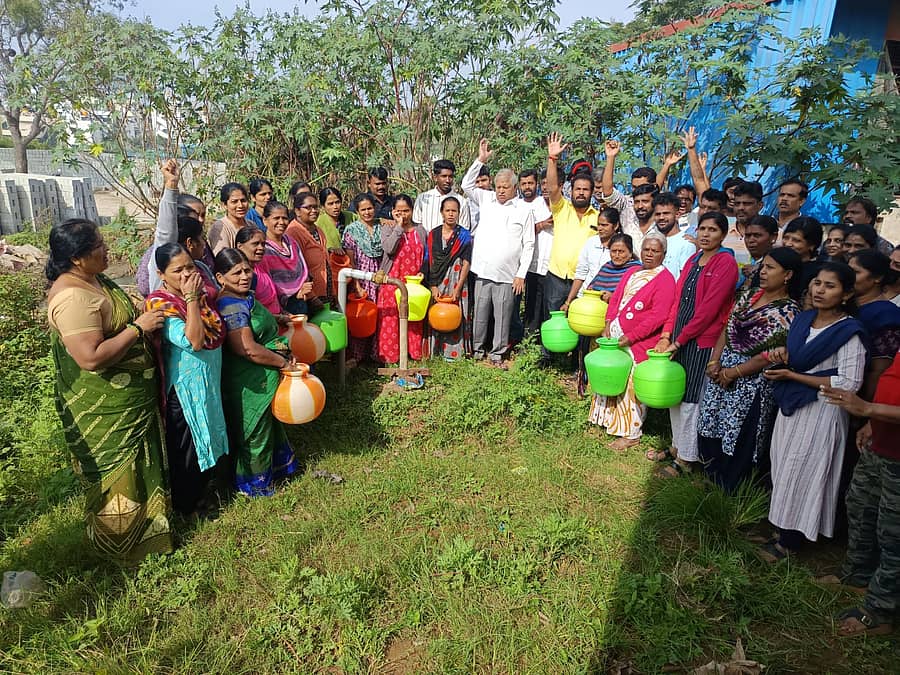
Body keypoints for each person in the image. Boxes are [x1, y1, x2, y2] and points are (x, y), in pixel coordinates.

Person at [46, 219, 173, 563]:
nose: (107, 250)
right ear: (76, 258)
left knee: (140, 465)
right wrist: (138, 328)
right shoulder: (72, 297)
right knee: (117, 476)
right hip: (105, 408)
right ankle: (120, 547)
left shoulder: (91, 279)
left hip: (130, 400)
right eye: (99, 246)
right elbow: (89, 358)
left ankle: (150, 534)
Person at [761, 263, 867, 560]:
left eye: (830, 286)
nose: (820, 290)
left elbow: (849, 382)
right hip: (793, 405)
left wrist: (795, 376)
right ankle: (782, 528)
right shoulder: (805, 320)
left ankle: (790, 543)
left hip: (822, 410)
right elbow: (799, 357)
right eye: (817, 283)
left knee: (803, 472)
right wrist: (786, 356)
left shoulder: (849, 331)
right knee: (783, 465)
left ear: (846, 294)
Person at [698, 247, 803, 491]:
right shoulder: (749, 296)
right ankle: (710, 477)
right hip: (722, 369)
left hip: (751, 382)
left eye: (770, 268)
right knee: (712, 422)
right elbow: (727, 328)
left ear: (787, 275)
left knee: (739, 432)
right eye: (763, 266)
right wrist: (715, 362)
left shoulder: (788, 311)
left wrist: (732, 373)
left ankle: (731, 490)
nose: (762, 272)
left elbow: (768, 356)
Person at [654, 211, 739, 476]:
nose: (705, 234)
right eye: (702, 229)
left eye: (713, 230)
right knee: (675, 393)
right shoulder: (693, 260)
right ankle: (678, 446)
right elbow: (678, 302)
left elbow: (708, 311)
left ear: (723, 235)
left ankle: (687, 460)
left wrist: (679, 341)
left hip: (701, 340)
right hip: (679, 338)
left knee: (691, 397)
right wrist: (667, 334)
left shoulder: (725, 263)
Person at [146, 243, 229, 515]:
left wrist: (196, 298)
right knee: (188, 447)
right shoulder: (161, 304)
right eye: (177, 270)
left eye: (190, 267)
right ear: (161, 274)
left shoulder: (201, 297)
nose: (186, 275)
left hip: (208, 382)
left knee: (208, 434)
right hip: (184, 390)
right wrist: (191, 299)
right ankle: (187, 506)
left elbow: (215, 331)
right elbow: (194, 340)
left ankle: (206, 493)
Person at [820, 356, 900, 637]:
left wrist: (868, 407)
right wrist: (872, 421)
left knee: (894, 535)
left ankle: (880, 611)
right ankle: (857, 574)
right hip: (881, 444)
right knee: (859, 505)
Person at [215, 248, 298, 497]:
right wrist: (282, 363)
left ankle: (277, 469)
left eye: (247, 270)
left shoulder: (244, 298)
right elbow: (247, 349)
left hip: (262, 374)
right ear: (220, 277)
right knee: (256, 431)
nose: (244, 276)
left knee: (269, 425)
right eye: (236, 272)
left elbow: (253, 320)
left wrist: (277, 317)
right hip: (249, 380)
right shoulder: (230, 306)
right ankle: (254, 485)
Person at [589, 233, 676, 450]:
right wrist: (609, 322)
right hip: (614, 338)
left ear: (663, 254)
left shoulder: (665, 279)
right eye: (646, 249)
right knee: (610, 378)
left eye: (655, 251)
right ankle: (608, 422)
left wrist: (631, 336)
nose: (649, 254)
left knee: (630, 385)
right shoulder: (631, 271)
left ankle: (631, 433)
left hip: (639, 342)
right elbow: (616, 299)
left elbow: (658, 315)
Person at [462, 140, 534, 366]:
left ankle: (497, 353)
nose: (501, 190)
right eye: (499, 186)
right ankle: (477, 349)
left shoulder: (524, 209)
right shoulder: (487, 199)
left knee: (503, 316)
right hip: (483, 270)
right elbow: (466, 185)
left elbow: (529, 243)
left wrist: (521, 274)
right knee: (480, 314)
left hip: (507, 274)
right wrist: (480, 160)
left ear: (515, 188)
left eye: (506, 187)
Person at [543, 133, 599, 336]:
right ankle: (547, 358)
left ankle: (574, 362)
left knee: (580, 322)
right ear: (571, 190)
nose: (581, 193)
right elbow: (551, 187)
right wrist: (553, 159)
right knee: (552, 320)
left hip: (583, 280)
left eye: (585, 189)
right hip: (557, 276)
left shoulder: (598, 217)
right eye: (578, 189)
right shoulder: (561, 208)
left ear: (592, 192)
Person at [421, 196, 473, 360]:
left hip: (457, 280)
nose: (451, 214)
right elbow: (428, 260)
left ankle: (454, 353)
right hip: (436, 280)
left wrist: (458, 288)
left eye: (454, 211)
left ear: (459, 213)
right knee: (437, 313)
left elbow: (466, 263)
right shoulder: (433, 234)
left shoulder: (464, 235)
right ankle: (434, 351)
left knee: (456, 313)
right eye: (448, 210)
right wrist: (433, 285)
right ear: (442, 213)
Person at [377, 195, 427, 363]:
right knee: (391, 319)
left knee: (413, 317)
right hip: (393, 281)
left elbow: (426, 256)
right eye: (399, 211)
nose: (403, 215)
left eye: (406, 211)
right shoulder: (387, 229)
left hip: (413, 283)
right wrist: (398, 226)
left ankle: (413, 353)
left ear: (412, 211)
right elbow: (389, 249)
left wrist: (423, 272)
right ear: (393, 212)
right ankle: (391, 357)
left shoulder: (420, 230)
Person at [849, 250, 900, 400]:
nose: (848, 277)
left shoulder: (887, 315)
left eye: (856, 272)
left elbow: (879, 370)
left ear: (877, 278)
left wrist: (861, 410)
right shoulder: (846, 305)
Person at [343, 193, 384, 363]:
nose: (367, 212)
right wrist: (357, 284)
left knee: (379, 314)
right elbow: (350, 260)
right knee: (361, 315)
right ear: (357, 211)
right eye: (363, 209)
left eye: (370, 208)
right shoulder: (352, 230)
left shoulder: (381, 227)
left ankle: (376, 354)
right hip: (362, 276)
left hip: (380, 276)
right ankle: (358, 356)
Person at [599, 139, 655, 250]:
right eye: (634, 187)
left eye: (642, 187)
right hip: (630, 266)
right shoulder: (626, 204)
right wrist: (611, 157)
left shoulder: (663, 210)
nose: (637, 191)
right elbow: (607, 192)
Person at [260, 201, 313, 316]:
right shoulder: (262, 248)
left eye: (284, 218)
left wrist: (302, 287)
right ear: (265, 220)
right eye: (276, 218)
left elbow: (302, 269)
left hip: (301, 301)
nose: (281, 222)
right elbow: (264, 282)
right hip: (278, 309)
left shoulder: (291, 243)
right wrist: (294, 294)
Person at [561, 207, 621, 308]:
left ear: (615, 226)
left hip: (606, 301)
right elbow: (581, 273)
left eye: (605, 225)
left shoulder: (620, 245)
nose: (600, 228)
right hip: (584, 297)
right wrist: (568, 301)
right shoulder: (591, 242)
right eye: (599, 224)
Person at [519, 168, 553, 336]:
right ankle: (528, 340)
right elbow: (516, 234)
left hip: (550, 265)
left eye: (530, 183)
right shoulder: (516, 206)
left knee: (547, 307)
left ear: (536, 185)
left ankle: (546, 343)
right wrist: (540, 225)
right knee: (530, 305)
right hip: (528, 265)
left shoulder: (545, 203)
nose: (527, 187)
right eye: (524, 183)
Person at [287, 192, 331, 310]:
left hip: (325, 291)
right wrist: (312, 297)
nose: (314, 211)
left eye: (315, 207)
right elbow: (297, 268)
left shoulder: (318, 230)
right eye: (308, 207)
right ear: (297, 211)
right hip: (310, 297)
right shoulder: (293, 232)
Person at [575, 232, 642, 303]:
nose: (617, 255)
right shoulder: (606, 267)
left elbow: (638, 297)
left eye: (621, 251)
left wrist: (613, 297)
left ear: (630, 253)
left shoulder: (637, 270)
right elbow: (591, 288)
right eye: (613, 251)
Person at [235, 225, 282, 317]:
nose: (261, 248)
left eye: (263, 244)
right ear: (240, 246)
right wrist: (278, 318)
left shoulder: (259, 267)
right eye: (255, 244)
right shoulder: (243, 276)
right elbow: (251, 313)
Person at [413, 159, 471, 231]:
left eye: (450, 176)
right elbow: (417, 225)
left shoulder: (462, 201)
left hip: (454, 242)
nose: (447, 180)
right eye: (444, 176)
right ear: (435, 178)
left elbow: (464, 228)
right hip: (426, 241)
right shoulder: (422, 199)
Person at [781, 216, 824, 307]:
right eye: (786, 238)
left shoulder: (817, 272)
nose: (788, 244)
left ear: (812, 245)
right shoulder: (777, 263)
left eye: (796, 240)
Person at [654, 191, 697, 278]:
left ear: (677, 214)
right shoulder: (651, 240)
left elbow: (684, 278)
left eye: (666, 213)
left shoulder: (686, 243)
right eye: (658, 214)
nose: (661, 217)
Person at [208, 182, 251, 254]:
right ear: (224, 205)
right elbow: (224, 259)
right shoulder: (220, 227)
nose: (240, 205)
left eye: (243, 200)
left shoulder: (251, 225)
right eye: (234, 202)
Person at [738, 215, 778, 291]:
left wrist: (756, 272)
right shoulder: (738, 258)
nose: (751, 240)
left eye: (757, 235)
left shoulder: (779, 264)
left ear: (773, 237)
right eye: (748, 236)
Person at [725, 180, 762, 263]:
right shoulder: (722, 233)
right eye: (737, 204)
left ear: (760, 205)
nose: (741, 208)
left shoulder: (775, 235)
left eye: (747, 204)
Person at [317, 186, 354, 250]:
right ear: (323, 206)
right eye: (330, 204)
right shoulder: (318, 223)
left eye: (337, 202)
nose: (335, 207)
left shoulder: (352, 217)